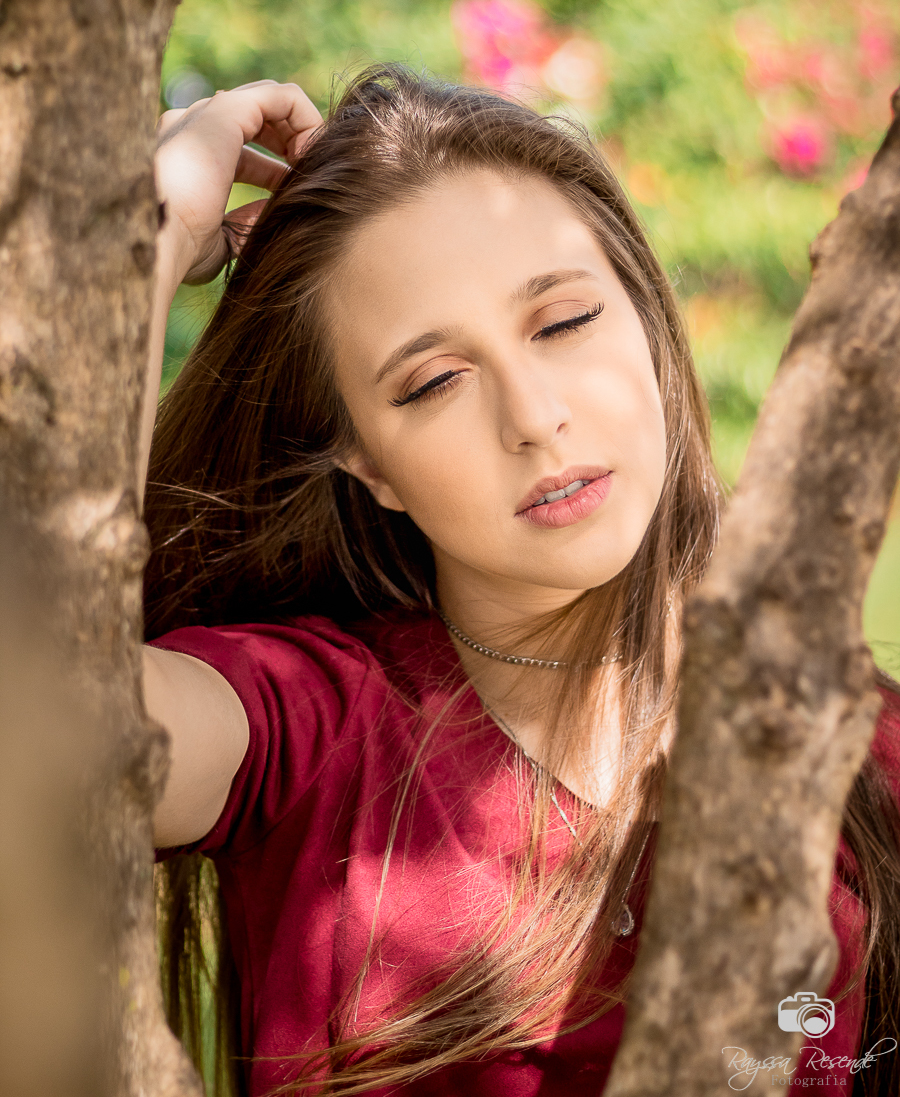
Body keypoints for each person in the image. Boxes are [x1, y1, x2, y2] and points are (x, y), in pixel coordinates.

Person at [143, 66, 900, 1097]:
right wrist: (129, 253)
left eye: (563, 321)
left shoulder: (865, 750)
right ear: (365, 460)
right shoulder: (302, 725)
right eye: (435, 381)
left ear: (644, 311)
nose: (534, 415)